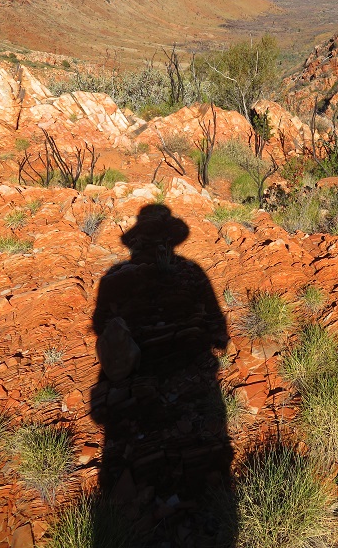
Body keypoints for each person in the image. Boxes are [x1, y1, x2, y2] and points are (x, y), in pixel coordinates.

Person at [91, 204, 234, 546]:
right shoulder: (192, 271)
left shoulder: (115, 277)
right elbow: (219, 332)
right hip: (192, 383)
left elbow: (100, 326)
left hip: (138, 384)